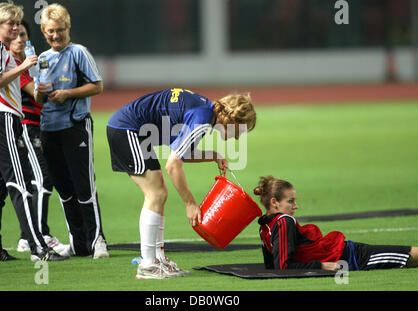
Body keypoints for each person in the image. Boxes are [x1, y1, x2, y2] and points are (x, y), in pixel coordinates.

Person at [107, 88, 256, 279]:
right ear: (232, 120)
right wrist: (190, 203)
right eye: (241, 129)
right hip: (126, 130)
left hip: (133, 131)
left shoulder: (205, 111)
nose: (239, 136)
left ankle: (157, 258)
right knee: (156, 194)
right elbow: (173, 165)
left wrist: (213, 155)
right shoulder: (202, 119)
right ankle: (147, 265)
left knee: (160, 193)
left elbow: (179, 152)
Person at [0, 1, 68, 262]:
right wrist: (23, 67)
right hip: (4, 120)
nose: (16, 28)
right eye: (12, 24)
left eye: (18, 24)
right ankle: (38, 248)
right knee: (20, 184)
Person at [34, 3, 109, 259]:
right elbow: (38, 98)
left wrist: (68, 93)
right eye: (51, 31)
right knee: (64, 189)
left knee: (84, 185)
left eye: (60, 30)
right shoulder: (42, 59)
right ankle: (78, 244)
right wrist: (39, 94)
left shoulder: (79, 52)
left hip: (75, 126)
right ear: (44, 31)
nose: (56, 36)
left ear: (68, 28)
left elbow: (97, 86)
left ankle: (98, 239)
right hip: (49, 130)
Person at [254, 175, 418, 271]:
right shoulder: (284, 221)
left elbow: (272, 266)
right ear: (275, 202)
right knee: (405, 255)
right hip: (349, 256)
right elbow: (282, 267)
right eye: (291, 201)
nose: (296, 206)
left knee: (406, 255)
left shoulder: (264, 226)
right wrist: (322, 266)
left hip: (344, 252)